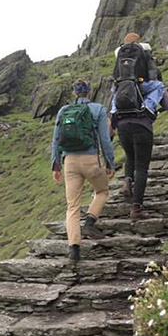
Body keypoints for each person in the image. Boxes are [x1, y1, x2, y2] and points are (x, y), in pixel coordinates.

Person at [110, 32, 168, 220]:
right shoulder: (152, 79)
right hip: (142, 124)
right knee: (142, 167)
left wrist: (112, 127)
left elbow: (113, 105)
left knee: (130, 156)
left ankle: (127, 181)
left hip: (122, 123)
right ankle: (136, 209)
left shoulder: (119, 78)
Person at [51, 80, 115, 261]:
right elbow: (105, 139)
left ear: (74, 93)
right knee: (102, 191)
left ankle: (74, 249)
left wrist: (56, 164)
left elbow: (56, 140)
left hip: (69, 162)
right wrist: (110, 163)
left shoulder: (63, 111)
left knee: (72, 206)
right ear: (90, 92)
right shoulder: (98, 110)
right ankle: (90, 221)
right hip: (90, 160)